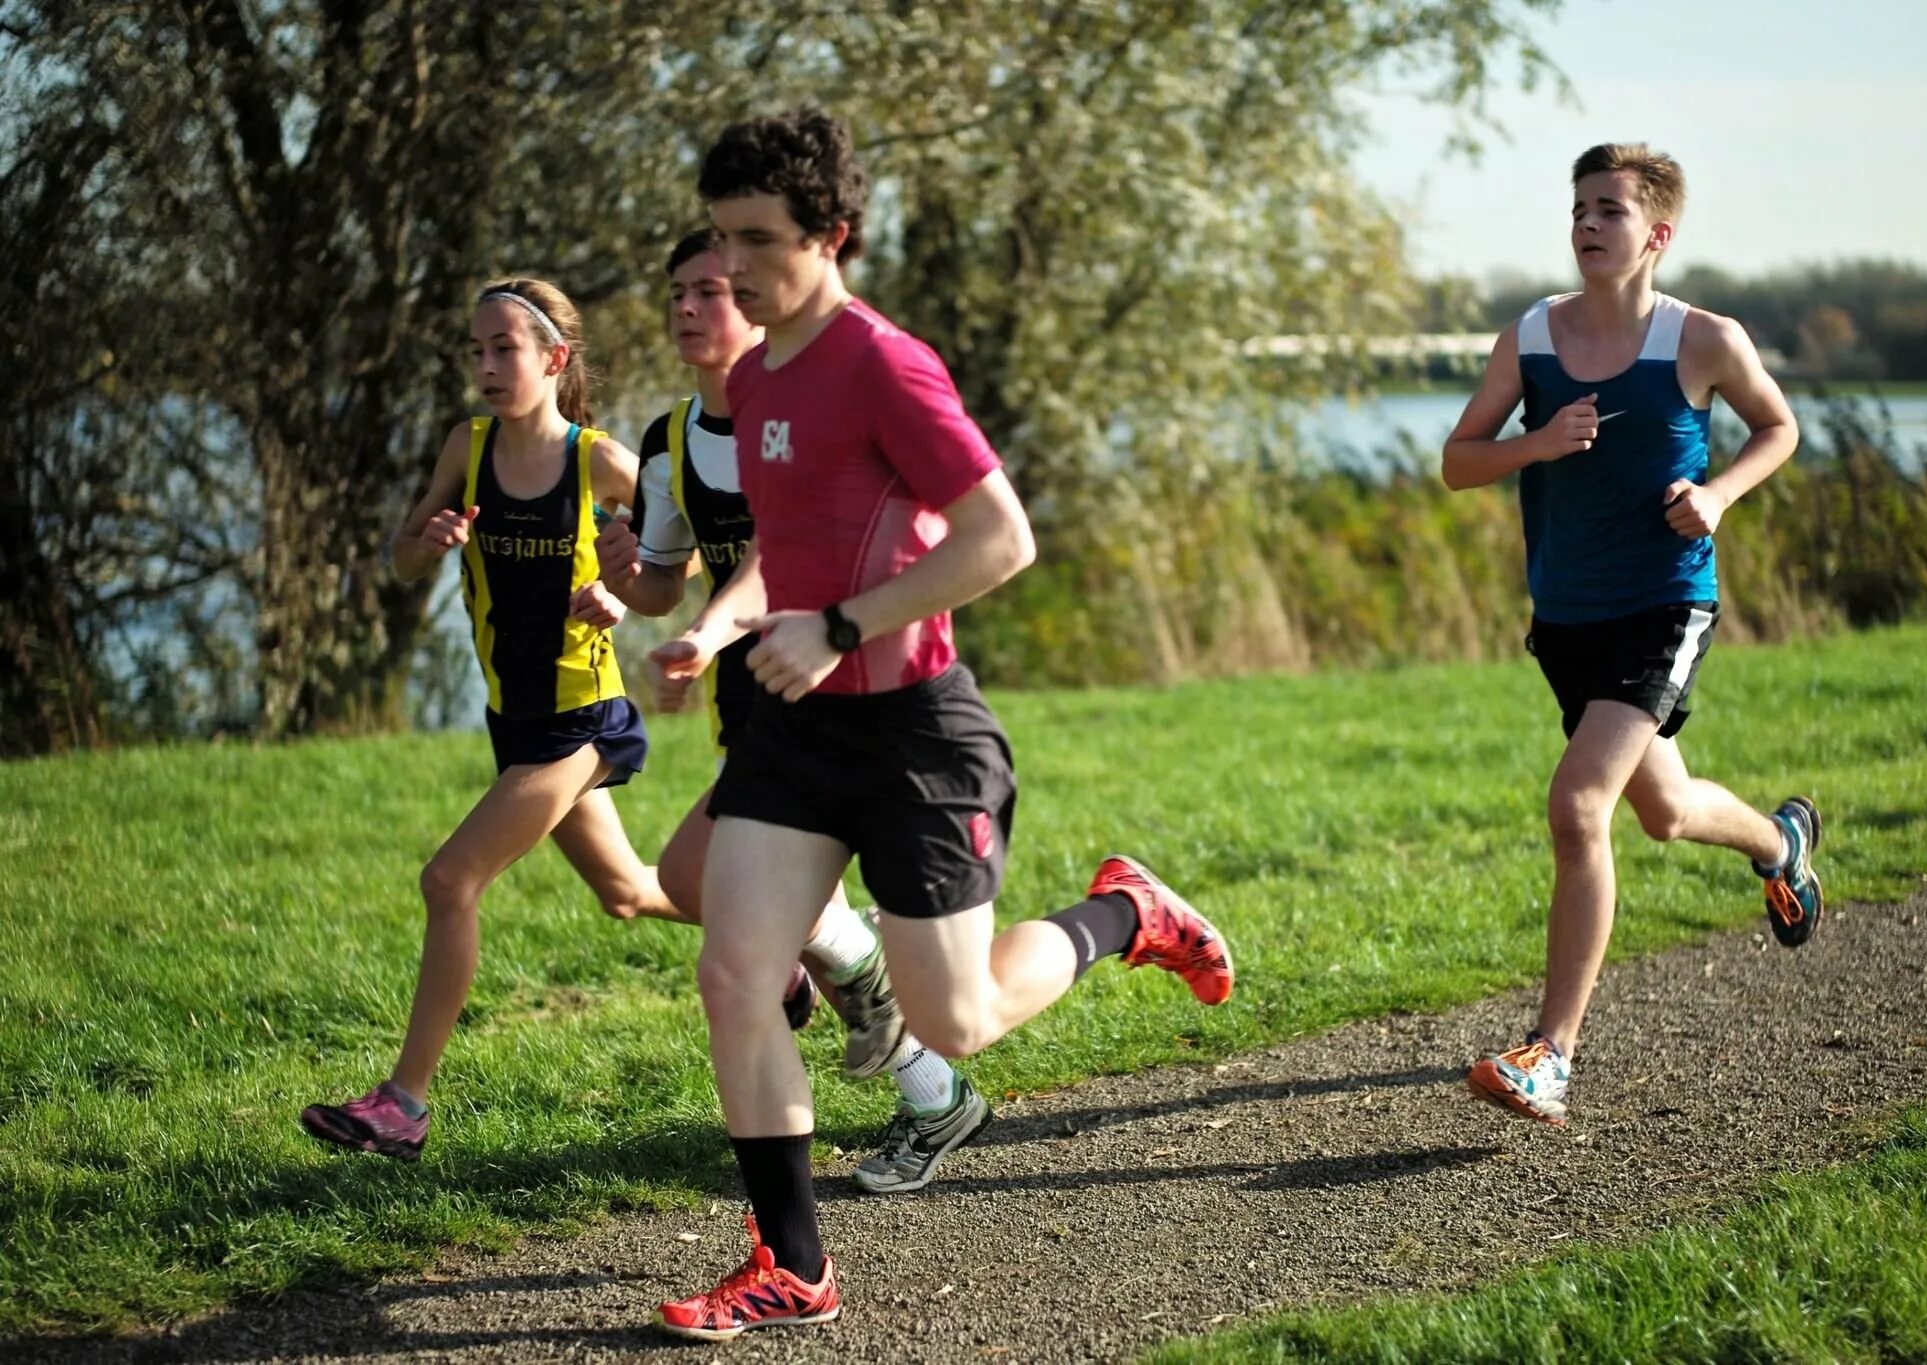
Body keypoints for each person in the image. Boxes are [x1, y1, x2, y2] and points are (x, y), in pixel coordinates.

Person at [650, 110, 1235, 1341]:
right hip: (794, 726)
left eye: (758, 241)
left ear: (833, 236)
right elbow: (775, 557)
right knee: (734, 970)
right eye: (720, 238)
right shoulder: (754, 379)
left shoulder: (885, 365)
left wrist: (846, 622)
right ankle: (793, 1267)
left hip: (914, 731)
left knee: (956, 1020)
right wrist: (715, 633)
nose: (735, 267)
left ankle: (1128, 913)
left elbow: (998, 541)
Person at [594, 227, 992, 1194]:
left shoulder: (814, 412)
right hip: (757, 703)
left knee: (707, 887)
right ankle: (907, 1057)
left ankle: (906, 1046)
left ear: (760, 297)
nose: (689, 308)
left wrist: (726, 624)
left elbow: (786, 558)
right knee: (706, 893)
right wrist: (627, 588)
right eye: (677, 291)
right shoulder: (667, 441)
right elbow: (663, 575)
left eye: (712, 291)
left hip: (856, 694)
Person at [1440, 143, 1824, 1129]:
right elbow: (1457, 461)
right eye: (1577, 206)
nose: (1585, 222)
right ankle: (1780, 846)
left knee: (1578, 808)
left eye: (1607, 208)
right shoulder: (1527, 338)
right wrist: (1536, 441)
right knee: (1661, 809)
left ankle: (1550, 1055)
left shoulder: (1699, 339)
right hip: (1565, 616)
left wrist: (1716, 494)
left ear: (1654, 234)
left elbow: (1775, 428)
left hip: (1663, 606)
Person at [302, 279, 673, 1160]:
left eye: (502, 349)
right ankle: (792, 942)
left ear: (554, 359)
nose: (484, 367)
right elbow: (396, 560)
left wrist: (621, 600)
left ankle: (403, 1106)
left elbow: (665, 574)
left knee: (448, 881)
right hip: (514, 719)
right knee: (627, 892)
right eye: (474, 351)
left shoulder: (602, 462)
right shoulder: (466, 450)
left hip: (584, 718)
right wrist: (421, 544)